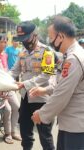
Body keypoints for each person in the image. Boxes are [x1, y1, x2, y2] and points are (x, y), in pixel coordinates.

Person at [31, 15, 84, 150]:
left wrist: (42, 115)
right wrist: (45, 90)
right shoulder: (71, 55)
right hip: (70, 124)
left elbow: (62, 94)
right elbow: (63, 84)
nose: (49, 40)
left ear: (60, 36)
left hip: (76, 128)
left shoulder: (73, 59)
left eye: (50, 36)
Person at [11, 21, 57, 150]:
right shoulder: (22, 52)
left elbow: (46, 75)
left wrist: (24, 84)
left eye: (25, 38)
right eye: (21, 39)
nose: (23, 42)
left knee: (45, 136)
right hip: (26, 98)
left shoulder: (47, 51)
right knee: (25, 133)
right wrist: (6, 83)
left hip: (41, 99)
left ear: (34, 35)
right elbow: (15, 70)